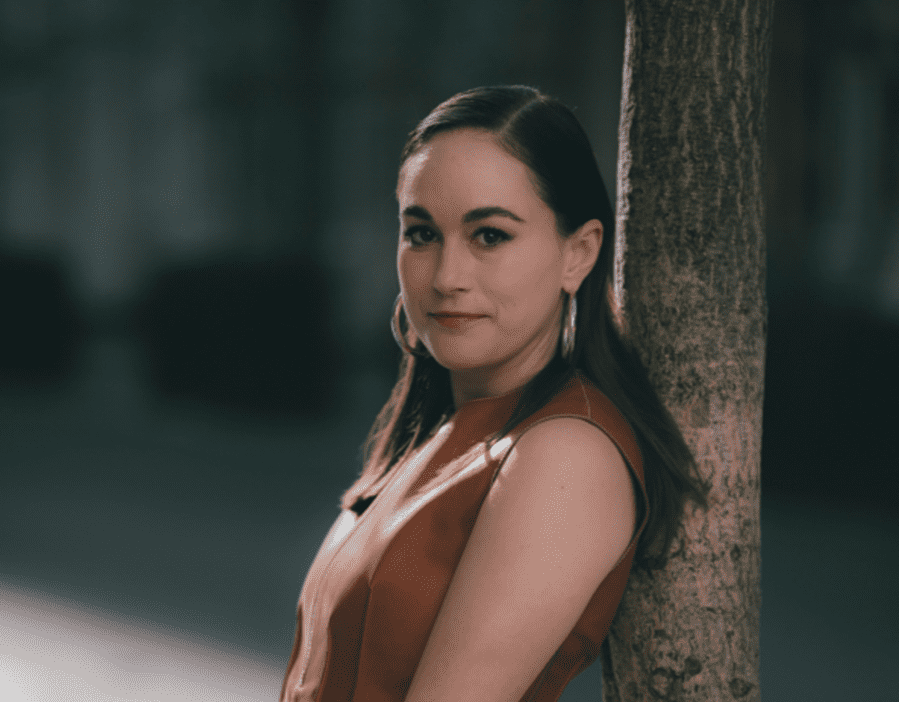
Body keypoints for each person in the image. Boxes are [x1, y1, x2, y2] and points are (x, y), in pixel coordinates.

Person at [279, 85, 707, 702]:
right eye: (422, 234)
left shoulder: (566, 456)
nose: (448, 277)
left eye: (490, 236)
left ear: (578, 254)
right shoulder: (444, 428)